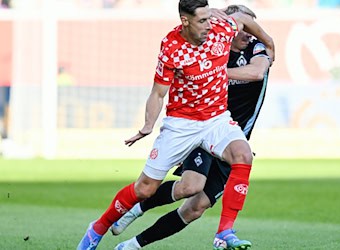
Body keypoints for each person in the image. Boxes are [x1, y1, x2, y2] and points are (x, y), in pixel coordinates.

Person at [76, 1, 274, 249]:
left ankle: (224, 231)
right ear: (185, 21)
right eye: (202, 21)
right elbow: (158, 93)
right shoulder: (171, 47)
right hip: (182, 124)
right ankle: (97, 229)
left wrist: (269, 42)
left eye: (209, 18)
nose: (209, 26)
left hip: (216, 119)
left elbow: (244, 19)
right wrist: (148, 125)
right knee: (145, 189)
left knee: (243, 154)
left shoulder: (221, 27)